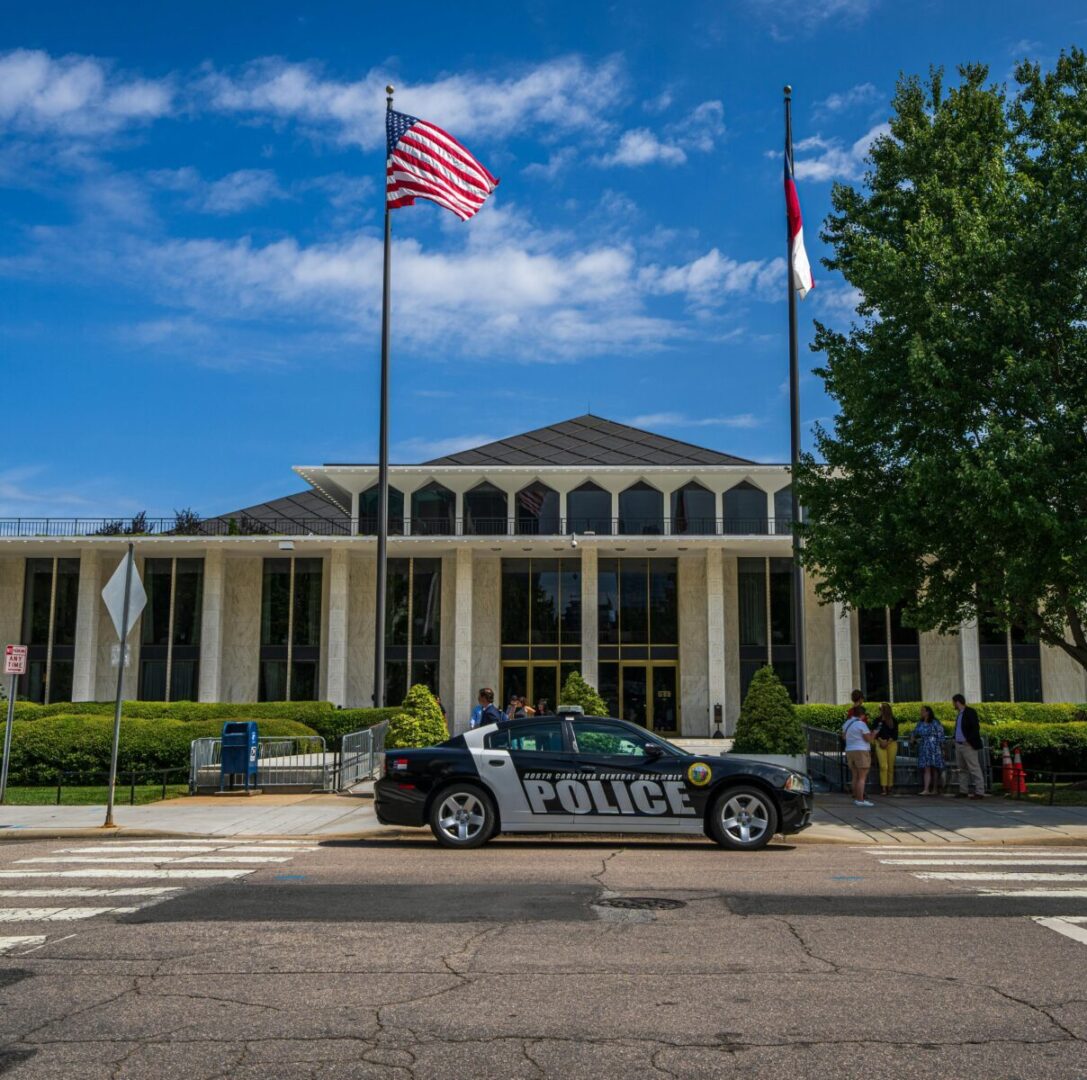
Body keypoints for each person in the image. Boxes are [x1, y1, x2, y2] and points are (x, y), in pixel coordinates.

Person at [842, 689, 876, 807]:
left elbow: (843, 736)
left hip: (849, 749)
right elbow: (868, 739)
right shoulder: (861, 723)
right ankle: (860, 799)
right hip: (861, 749)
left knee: (855, 775)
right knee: (862, 777)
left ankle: (855, 796)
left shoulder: (847, 723)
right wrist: (874, 734)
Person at [952, 693, 986, 798]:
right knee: (962, 769)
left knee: (974, 768)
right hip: (959, 744)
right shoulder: (959, 714)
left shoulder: (970, 712)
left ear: (957, 702)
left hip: (968, 745)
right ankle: (963, 790)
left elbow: (975, 728)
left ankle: (980, 791)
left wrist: (969, 740)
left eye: (953, 702)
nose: (952, 704)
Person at [912, 705, 945, 795]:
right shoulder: (920, 723)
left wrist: (942, 748)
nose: (921, 712)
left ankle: (934, 789)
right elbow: (914, 731)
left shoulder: (935, 722)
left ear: (928, 712)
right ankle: (926, 789)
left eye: (923, 711)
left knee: (934, 768)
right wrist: (913, 738)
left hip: (934, 746)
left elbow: (941, 735)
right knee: (927, 768)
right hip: (924, 746)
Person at [871, 702, 899, 797]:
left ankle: (889, 787)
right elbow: (875, 732)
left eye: (881, 709)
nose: (879, 711)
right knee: (883, 766)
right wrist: (881, 740)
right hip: (880, 743)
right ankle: (883, 787)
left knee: (890, 766)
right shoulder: (877, 720)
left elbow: (895, 734)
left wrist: (887, 742)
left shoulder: (893, 721)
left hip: (891, 744)